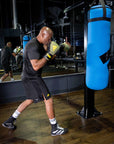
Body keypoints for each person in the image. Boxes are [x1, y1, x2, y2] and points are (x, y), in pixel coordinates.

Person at [2, 26, 70, 136]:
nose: (49, 41)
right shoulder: (32, 46)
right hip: (32, 77)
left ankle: (10, 120)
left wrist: (62, 48)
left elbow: (49, 56)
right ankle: (54, 128)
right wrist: (49, 54)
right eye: (48, 38)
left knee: (29, 100)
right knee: (48, 99)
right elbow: (36, 66)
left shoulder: (41, 44)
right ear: (42, 35)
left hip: (29, 76)